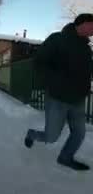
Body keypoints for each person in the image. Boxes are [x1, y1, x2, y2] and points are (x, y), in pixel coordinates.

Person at [24, 13, 93, 171]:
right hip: (58, 98)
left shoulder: (86, 48)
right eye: (92, 26)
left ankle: (65, 157)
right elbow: (39, 63)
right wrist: (56, 81)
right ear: (82, 24)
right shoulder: (57, 39)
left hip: (78, 99)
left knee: (79, 134)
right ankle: (32, 134)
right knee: (51, 136)